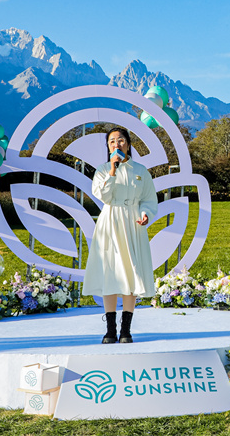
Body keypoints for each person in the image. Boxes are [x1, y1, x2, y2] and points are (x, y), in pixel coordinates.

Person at [83, 127, 158, 344]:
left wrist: (145, 214)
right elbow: (104, 196)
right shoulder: (102, 170)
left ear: (128, 143)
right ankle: (110, 330)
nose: (117, 144)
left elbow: (149, 199)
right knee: (110, 272)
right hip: (110, 222)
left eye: (121, 140)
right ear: (108, 147)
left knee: (130, 272)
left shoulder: (141, 171)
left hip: (132, 223)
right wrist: (113, 171)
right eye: (112, 141)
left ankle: (126, 330)